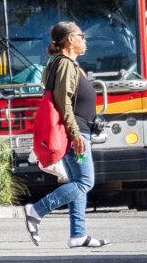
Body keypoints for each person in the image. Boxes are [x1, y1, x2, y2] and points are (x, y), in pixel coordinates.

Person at [23, 21, 110, 249]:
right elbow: (64, 103)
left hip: (81, 129)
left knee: (77, 182)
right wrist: (76, 135)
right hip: (75, 133)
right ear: (70, 39)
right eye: (82, 35)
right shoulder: (64, 65)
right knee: (84, 182)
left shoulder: (68, 64)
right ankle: (37, 210)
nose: (85, 40)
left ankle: (78, 235)